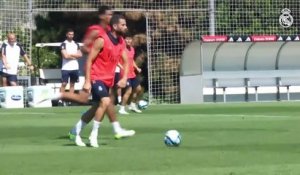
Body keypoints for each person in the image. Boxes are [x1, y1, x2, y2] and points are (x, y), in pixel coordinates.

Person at [40, 10, 135, 147]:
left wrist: (124, 77)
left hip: (108, 79)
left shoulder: (120, 42)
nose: (126, 27)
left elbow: (126, 61)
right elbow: (89, 59)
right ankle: (94, 135)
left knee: (95, 108)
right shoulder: (101, 39)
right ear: (115, 26)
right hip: (97, 77)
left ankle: (75, 131)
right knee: (106, 101)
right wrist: (88, 81)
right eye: (123, 25)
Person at [118, 35, 143, 114]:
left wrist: (137, 68)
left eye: (130, 39)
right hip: (125, 74)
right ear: (124, 40)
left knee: (138, 89)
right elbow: (116, 60)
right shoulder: (121, 49)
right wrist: (121, 67)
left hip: (132, 73)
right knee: (128, 91)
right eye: (127, 39)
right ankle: (121, 108)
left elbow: (131, 60)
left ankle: (132, 105)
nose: (128, 41)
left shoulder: (132, 49)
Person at [60, 29, 82, 95]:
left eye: (72, 34)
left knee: (72, 84)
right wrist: (75, 56)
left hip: (74, 67)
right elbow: (65, 56)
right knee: (64, 83)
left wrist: (70, 54)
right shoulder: (63, 44)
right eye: (69, 34)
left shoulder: (76, 44)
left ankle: (70, 98)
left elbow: (80, 55)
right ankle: (61, 97)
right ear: (67, 35)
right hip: (66, 68)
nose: (71, 36)